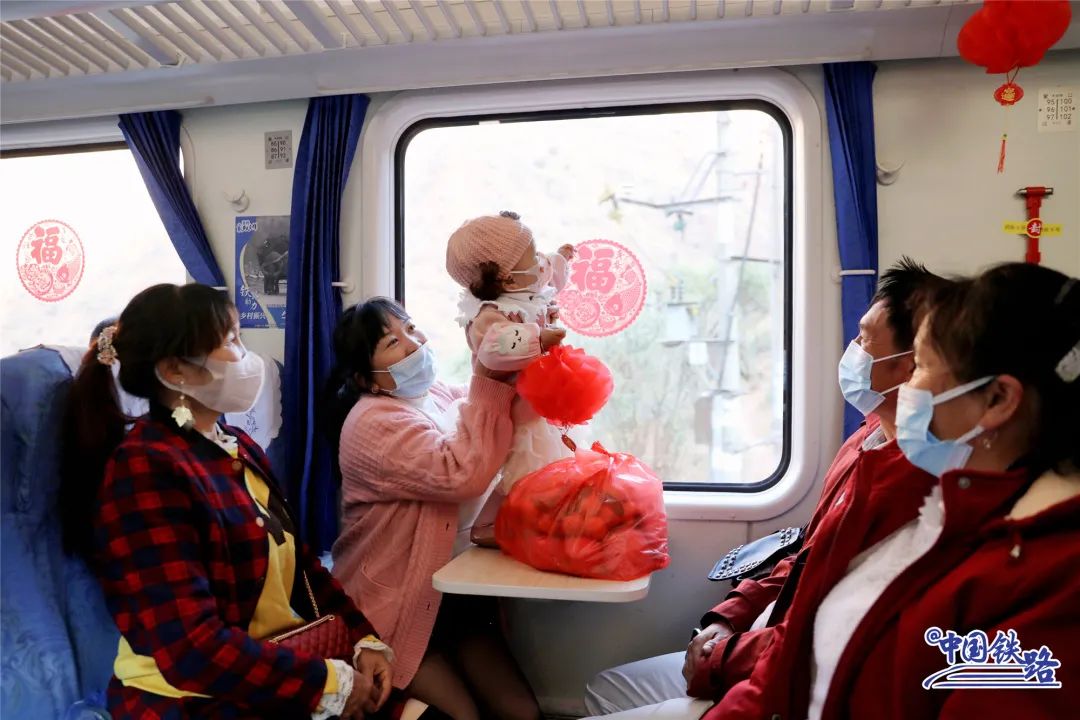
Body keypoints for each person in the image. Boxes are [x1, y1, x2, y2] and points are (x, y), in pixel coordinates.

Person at [706, 262, 1080, 720]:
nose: (909, 389)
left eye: (921, 366)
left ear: (998, 400)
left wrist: (723, 658)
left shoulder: (1049, 575)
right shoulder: (941, 508)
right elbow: (791, 665)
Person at [584, 258, 948, 719]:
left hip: (784, 680)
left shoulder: (917, 486)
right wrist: (728, 617)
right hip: (761, 641)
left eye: (864, 338)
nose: (853, 351)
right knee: (604, 689)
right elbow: (807, 558)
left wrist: (721, 659)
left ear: (909, 366)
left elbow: (824, 634)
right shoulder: (867, 440)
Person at [60, 283, 393, 720]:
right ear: (175, 371)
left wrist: (363, 639)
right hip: (189, 699)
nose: (247, 356)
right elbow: (189, 648)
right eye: (231, 341)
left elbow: (302, 567)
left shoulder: (235, 445)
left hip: (265, 671)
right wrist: (325, 684)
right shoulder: (145, 470)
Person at [328, 297, 541, 720]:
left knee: (521, 712)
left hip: (454, 596)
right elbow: (463, 472)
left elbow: (498, 411)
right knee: (463, 717)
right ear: (366, 378)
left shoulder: (436, 395)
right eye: (392, 342)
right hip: (396, 607)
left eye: (410, 328)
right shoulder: (371, 422)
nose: (413, 343)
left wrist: (519, 352)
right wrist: (488, 376)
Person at [446, 210, 574, 493]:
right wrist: (539, 339)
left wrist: (561, 258)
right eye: (534, 257)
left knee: (554, 467)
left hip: (539, 401)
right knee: (529, 476)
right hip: (516, 414)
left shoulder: (521, 289)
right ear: (508, 281)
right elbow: (496, 346)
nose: (542, 261)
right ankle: (518, 510)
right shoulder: (487, 316)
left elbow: (546, 275)